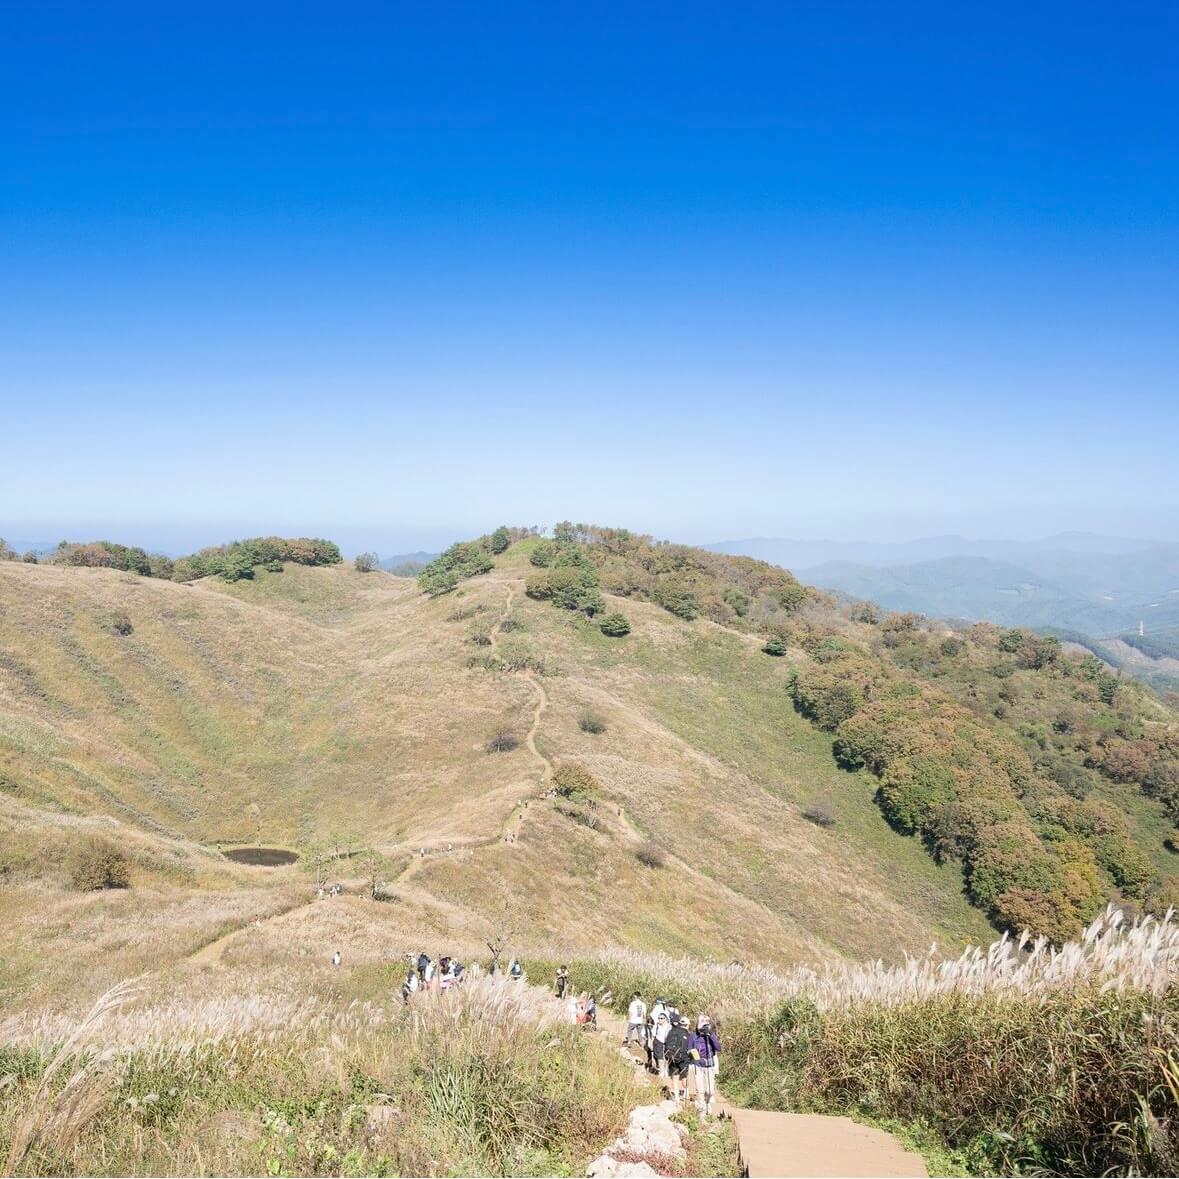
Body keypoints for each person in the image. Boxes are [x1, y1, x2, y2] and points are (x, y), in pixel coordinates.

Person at [689, 1016, 721, 1117]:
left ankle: (707, 1103)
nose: (704, 1025)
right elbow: (689, 1049)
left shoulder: (711, 1035)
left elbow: (718, 1048)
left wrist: (711, 1035)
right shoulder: (693, 1036)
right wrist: (693, 1056)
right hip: (698, 1065)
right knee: (700, 1090)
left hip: (709, 1065)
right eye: (702, 1023)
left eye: (706, 1023)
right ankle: (701, 1110)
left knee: (710, 1090)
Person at [664, 1016, 692, 1104]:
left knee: (675, 1077)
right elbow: (689, 1047)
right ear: (687, 1025)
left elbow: (666, 1043)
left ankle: (676, 1097)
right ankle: (686, 1094)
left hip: (672, 1057)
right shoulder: (687, 1034)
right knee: (684, 1077)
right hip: (683, 1059)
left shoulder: (671, 1031)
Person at [650, 1010, 672, 1079]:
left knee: (666, 1058)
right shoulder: (656, 1026)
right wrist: (651, 1043)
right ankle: (661, 1071)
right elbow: (653, 1035)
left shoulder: (669, 1026)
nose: (660, 1019)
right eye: (659, 1018)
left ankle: (666, 1071)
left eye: (661, 1018)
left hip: (667, 1043)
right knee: (660, 1057)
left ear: (665, 1019)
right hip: (658, 1042)